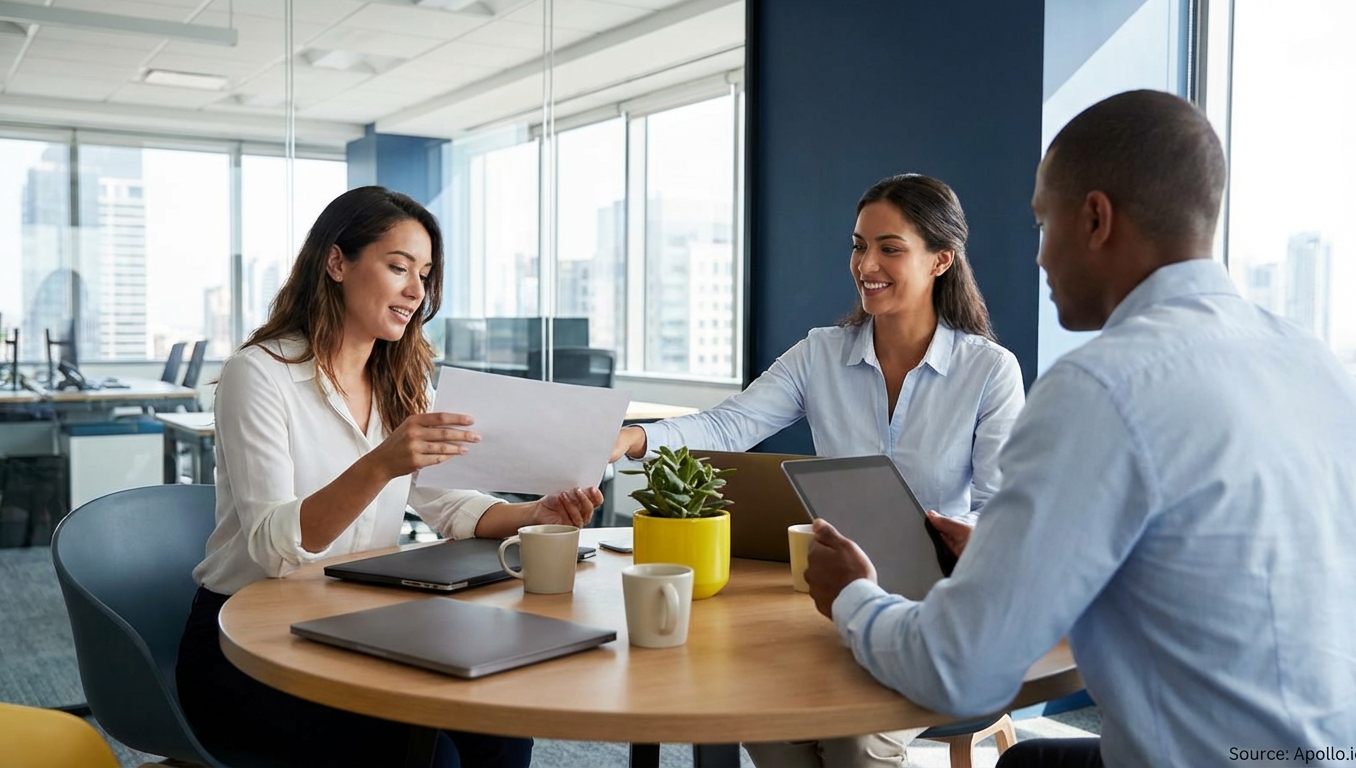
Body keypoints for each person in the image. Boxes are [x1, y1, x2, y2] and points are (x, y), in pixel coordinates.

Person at [805, 89, 1356, 768]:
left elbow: (960, 670)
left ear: (1096, 219)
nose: (1041, 258)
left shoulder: (1101, 387)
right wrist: (1006, 551)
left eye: (1045, 224)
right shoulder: (1318, 365)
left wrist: (851, 595)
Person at [176, 186, 603, 768]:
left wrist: (533, 515)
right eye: (399, 267)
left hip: (360, 627)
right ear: (336, 263)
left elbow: (446, 502)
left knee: (502, 733)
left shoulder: (401, 381)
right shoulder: (260, 374)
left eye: (424, 275)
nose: (416, 292)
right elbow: (273, 548)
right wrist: (380, 464)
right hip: (249, 644)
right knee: (430, 758)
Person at [610, 174, 1026, 768]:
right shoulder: (820, 354)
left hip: (938, 609)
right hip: (834, 598)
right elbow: (731, 426)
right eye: (859, 245)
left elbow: (999, 507)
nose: (866, 264)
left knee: (855, 737)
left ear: (941, 260)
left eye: (890, 247)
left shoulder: (988, 371)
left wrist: (966, 538)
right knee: (763, 709)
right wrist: (636, 438)